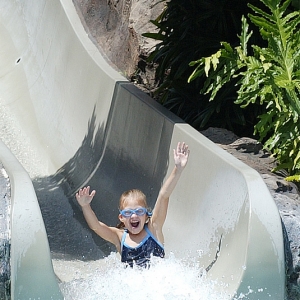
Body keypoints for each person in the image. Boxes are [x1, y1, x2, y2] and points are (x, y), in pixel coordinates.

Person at [76, 142, 190, 267]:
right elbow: (96, 226)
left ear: (147, 216)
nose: (134, 216)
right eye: (128, 213)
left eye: (139, 211)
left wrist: (177, 170)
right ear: (122, 218)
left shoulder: (154, 228)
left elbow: (163, 195)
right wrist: (85, 206)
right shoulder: (119, 237)